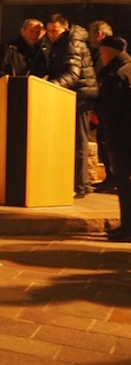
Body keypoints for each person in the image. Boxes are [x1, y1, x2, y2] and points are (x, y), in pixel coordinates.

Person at [29, 13, 98, 198]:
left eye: (55, 31)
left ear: (65, 28)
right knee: (68, 142)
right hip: (67, 97)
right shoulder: (57, 44)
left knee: (79, 142)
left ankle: (81, 186)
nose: (51, 34)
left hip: (80, 97)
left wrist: (50, 86)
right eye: (49, 31)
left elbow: (72, 74)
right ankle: (68, 182)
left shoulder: (72, 43)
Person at [94, 35, 131, 242]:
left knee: (125, 185)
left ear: (107, 53)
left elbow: (108, 108)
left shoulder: (116, 75)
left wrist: (95, 108)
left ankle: (128, 229)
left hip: (120, 136)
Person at [87, 20, 117, 194]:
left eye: (91, 35)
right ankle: (110, 177)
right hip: (103, 106)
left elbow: (99, 78)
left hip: (107, 106)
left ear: (99, 34)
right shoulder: (100, 53)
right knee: (103, 142)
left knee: (108, 143)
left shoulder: (105, 53)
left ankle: (113, 178)